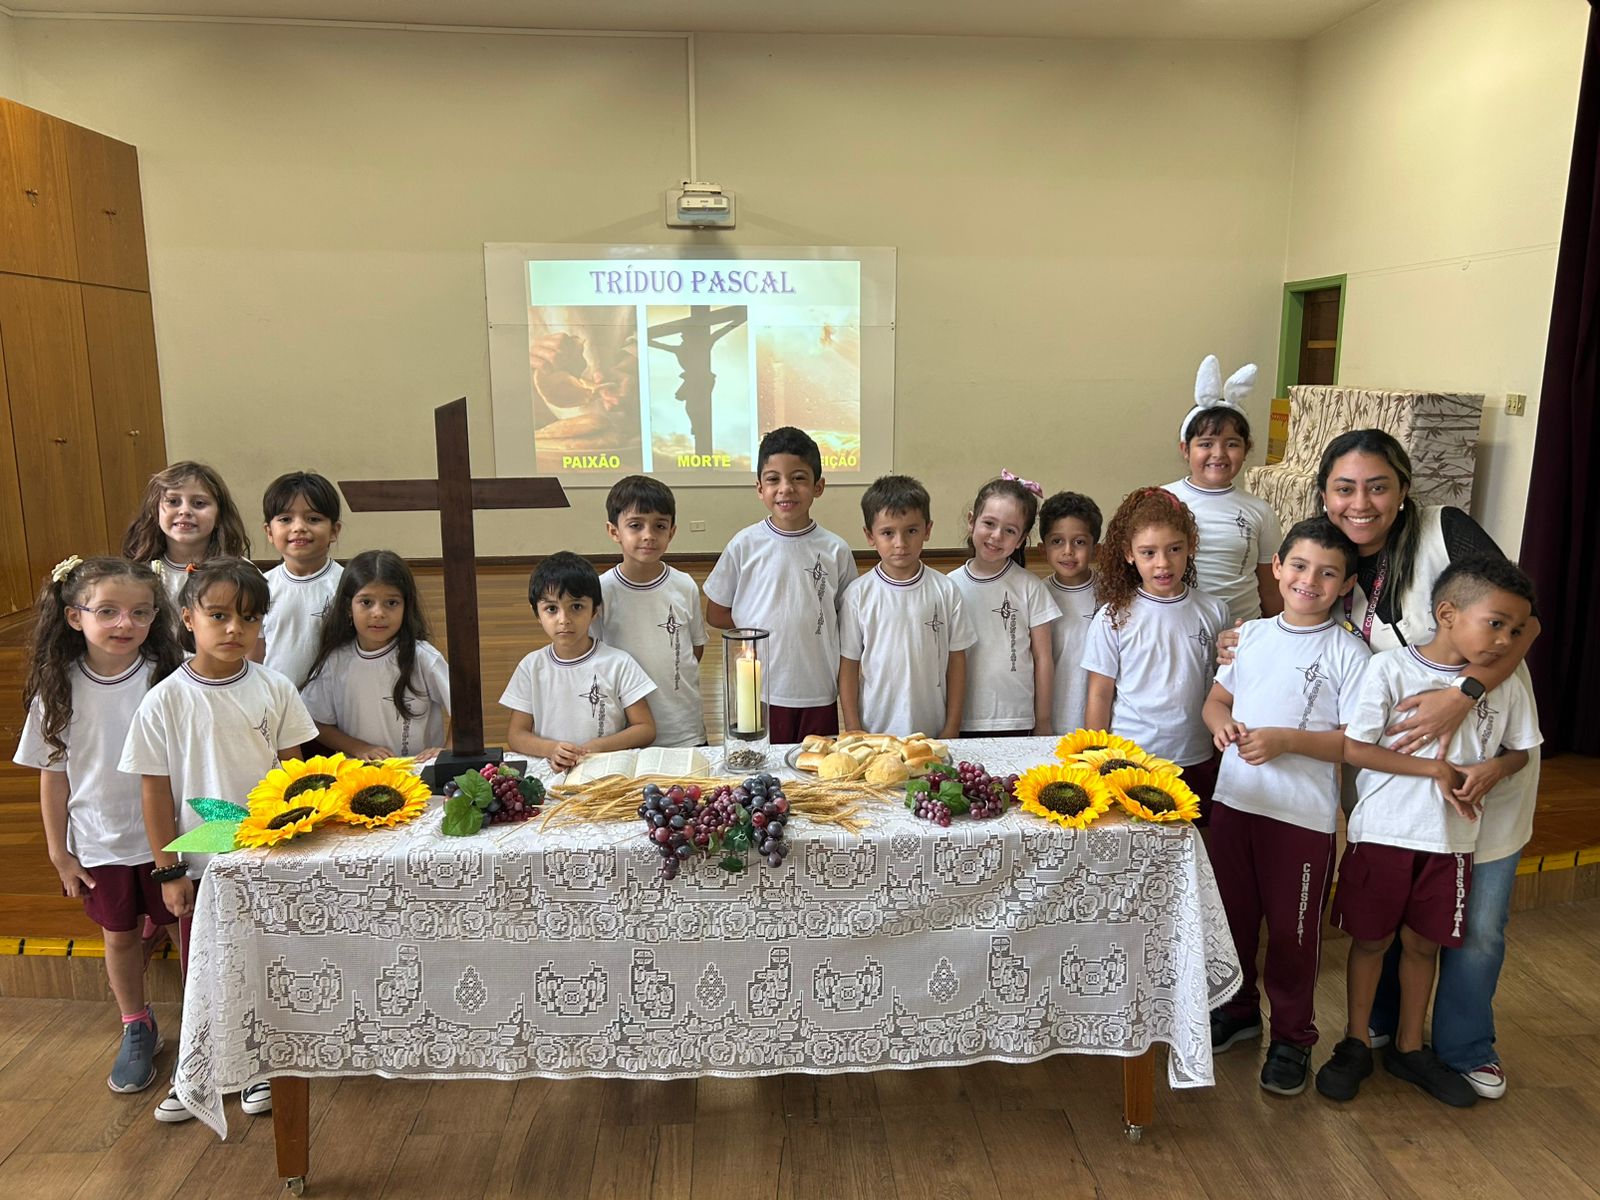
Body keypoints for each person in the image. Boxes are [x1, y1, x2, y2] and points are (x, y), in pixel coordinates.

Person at [1294, 427, 1540, 1098]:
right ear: (1325, 494)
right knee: (1387, 923)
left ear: (1404, 490)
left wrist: (1466, 695)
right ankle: (1379, 1031)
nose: (1361, 504)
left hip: (1481, 757)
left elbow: (1524, 620)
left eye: (1378, 487)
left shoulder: (1444, 531)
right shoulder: (1332, 558)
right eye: (1344, 489)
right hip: (1395, 785)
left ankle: (1465, 1047)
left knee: (1475, 927)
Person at [119, 558, 318, 1123]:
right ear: (188, 617)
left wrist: (295, 849)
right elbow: (155, 794)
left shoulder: (275, 689)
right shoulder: (164, 699)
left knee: (266, 965)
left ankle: (258, 1068)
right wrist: (168, 871)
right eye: (219, 615)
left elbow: (296, 778)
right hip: (202, 867)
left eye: (249, 618)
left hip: (268, 860)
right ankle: (198, 1072)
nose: (235, 628)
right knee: (204, 971)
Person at [1201, 518, 1372, 1096]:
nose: (1309, 581)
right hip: (1236, 803)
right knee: (1233, 919)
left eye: (1327, 573)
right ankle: (1238, 1010)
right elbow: (1217, 700)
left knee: (1294, 937)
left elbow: (1353, 742)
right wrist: (1221, 725)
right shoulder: (1248, 636)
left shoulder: (1350, 652)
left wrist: (1287, 741)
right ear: (1277, 567)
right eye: (1298, 566)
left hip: (1301, 821)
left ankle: (1293, 1037)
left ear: (1346, 584)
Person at [12, 556, 183, 1095]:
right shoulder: (57, 689)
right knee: (120, 937)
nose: (124, 623)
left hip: (171, 842)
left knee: (186, 932)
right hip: (101, 842)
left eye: (140, 612)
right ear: (73, 616)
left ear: (156, 617)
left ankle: (205, 1022)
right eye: (107, 611)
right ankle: (137, 1024)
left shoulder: (169, 678)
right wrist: (59, 853)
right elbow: (53, 777)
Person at [704, 427, 856, 744]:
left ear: (818, 486)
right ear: (760, 488)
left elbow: (847, 620)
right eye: (773, 479)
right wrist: (758, 627)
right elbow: (716, 613)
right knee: (763, 765)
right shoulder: (744, 544)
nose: (786, 488)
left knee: (814, 766)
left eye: (798, 478)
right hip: (761, 689)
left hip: (818, 688)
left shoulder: (836, 549)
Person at [1082, 487, 1231, 808]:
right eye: (1148, 552)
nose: (1163, 563)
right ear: (1129, 553)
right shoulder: (1113, 617)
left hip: (1195, 754)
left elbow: (1222, 689)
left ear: (1191, 545)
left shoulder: (1214, 611)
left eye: (1174, 549)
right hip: (1131, 758)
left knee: (1196, 832)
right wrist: (1096, 761)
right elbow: (1099, 694)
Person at [839, 474, 975, 738]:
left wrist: (952, 726)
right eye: (887, 533)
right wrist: (854, 728)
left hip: (933, 730)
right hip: (875, 732)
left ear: (927, 530)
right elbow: (849, 666)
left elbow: (957, 662)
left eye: (911, 531)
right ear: (869, 535)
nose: (900, 543)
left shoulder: (946, 590)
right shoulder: (857, 595)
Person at [500, 551, 656, 771]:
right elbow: (516, 735)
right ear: (537, 614)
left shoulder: (619, 663)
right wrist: (552, 749)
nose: (564, 620)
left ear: (594, 611)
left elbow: (645, 728)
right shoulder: (531, 666)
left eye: (576, 607)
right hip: (551, 769)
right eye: (551, 609)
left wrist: (597, 747)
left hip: (605, 767)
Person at [1165, 355, 1283, 625]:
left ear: (1246, 449)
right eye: (1206, 444)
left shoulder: (1261, 512)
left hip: (1242, 633)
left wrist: (1275, 634)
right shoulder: (1163, 500)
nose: (1218, 454)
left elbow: (1270, 587)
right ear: (1185, 449)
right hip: (1178, 631)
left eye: (1231, 444)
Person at [300, 550, 451, 760]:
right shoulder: (335, 661)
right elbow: (317, 722)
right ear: (348, 607)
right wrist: (358, 747)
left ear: (406, 606)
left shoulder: (423, 658)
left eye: (391, 603)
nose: (378, 613)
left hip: (419, 774)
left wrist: (448, 752)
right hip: (359, 774)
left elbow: (466, 710)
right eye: (366, 602)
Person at [594, 476, 707, 747]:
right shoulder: (601, 591)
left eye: (659, 526)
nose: (648, 535)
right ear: (614, 531)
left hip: (683, 729)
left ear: (672, 532)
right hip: (624, 732)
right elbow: (594, 656)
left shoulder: (684, 585)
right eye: (636, 525)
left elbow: (695, 649)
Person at [947, 472, 1057, 735]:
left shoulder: (1030, 587)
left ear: (1021, 540)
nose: (996, 536)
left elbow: (1043, 658)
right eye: (989, 523)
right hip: (962, 718)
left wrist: (1043, 721)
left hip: (1017, 719)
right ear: (971, 521)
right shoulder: (948, 586)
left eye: (1009, 530)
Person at [120, 462, 252, 606]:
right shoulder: (137, 574)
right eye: (173, 501)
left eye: (199, 503)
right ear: (155, 511)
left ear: (219, 515)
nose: (185, 511)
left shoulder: (242, 573)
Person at [256, 471, 344, 688]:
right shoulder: (260, 587)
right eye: (285, 519)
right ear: (269, 532)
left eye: (313, 519)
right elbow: (254, 655)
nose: (299, 528)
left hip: (336, 699)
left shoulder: (347, 585)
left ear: (334, 531)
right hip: (277, 699)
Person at [1039, 491, 1102, 735]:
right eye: (1057, 541)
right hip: (1049, 719)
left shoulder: (1112, 594)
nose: (1068, 551)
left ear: (1095, 549)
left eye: (1079, 542)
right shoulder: (1037, 594)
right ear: (1042, 549)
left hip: (1099, 719)